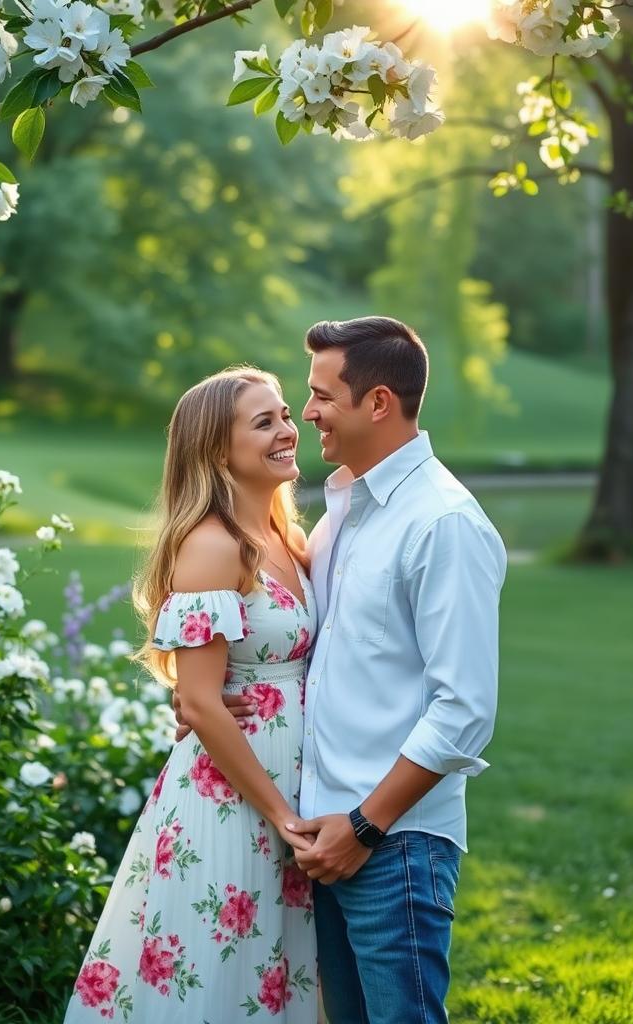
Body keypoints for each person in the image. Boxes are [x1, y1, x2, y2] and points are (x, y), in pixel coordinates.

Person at [183, 316, 507, 1023]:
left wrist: (364, 826)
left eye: (323, 396)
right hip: (322, 838)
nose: (307, 413)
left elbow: (465, 712)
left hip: (392, 843)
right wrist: (210, 696)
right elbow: (299, 651)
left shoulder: (443, 522)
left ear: (379, 403)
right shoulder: (337, 518)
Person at [63, 367, 320, 1023]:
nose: (288, 429)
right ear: (215, 450)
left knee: (279, 969)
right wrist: (281, 817)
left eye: (285, 413)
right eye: (264, 422)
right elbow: (202, 703)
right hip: (237, 799)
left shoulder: (284, 537)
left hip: (286, 782)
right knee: (224, 971)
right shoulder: (213, 545)